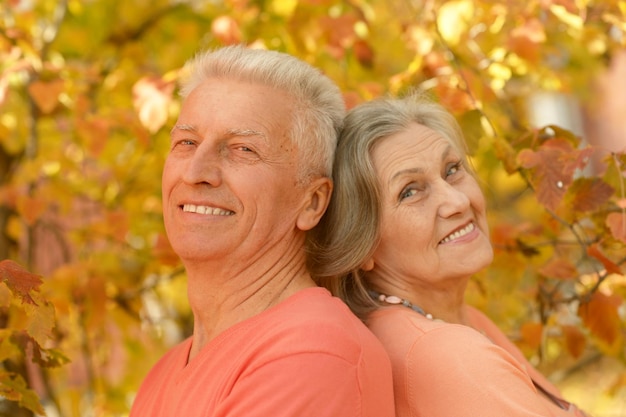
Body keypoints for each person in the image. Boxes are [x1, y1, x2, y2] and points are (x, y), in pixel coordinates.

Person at [130, 45, 395, 417]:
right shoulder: (164, 373)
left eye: (242, 149)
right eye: (187, 143)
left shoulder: (314, 354)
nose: (195, 172)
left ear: (312, 202)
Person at [309, 93, 589, 417]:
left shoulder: (452, 322)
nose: (457, 201)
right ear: (361, 244)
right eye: (410, 191)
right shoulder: (449, 355)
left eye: (452, 169)